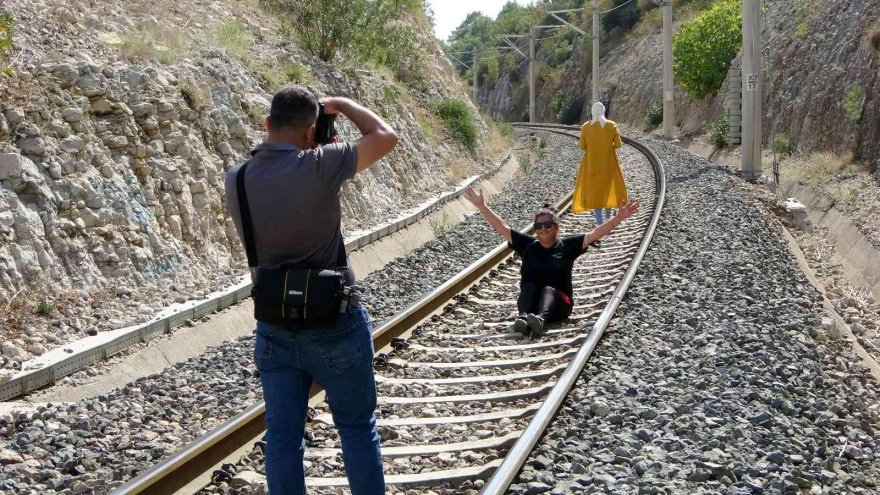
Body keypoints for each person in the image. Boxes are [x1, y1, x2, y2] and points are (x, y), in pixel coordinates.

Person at [224, 86, 397, 495]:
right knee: (357, 429)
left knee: (283, 439)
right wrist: (342, 105)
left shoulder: (237, 178)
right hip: (335, 322)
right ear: (310, 131)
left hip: (274, 325)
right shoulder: (323, 164)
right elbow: (386, 136)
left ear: (267, 123)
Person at [464, 187, 638, 337]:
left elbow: (594, 234)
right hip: (532, 307)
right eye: (538, 226)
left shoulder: (567, 246)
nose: (543, 229)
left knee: (548, 290)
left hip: (560, 305)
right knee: (528, 287)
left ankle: (540, 320)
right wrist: (482, 206)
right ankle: (523, 318)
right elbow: (502, 227)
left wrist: (618, 218)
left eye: (547, 225)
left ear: (556, 226)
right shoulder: (528, 246)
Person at [572, 102, 629, 248]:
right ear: (603, 111)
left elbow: (582, 147)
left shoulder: (586, 127)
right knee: (607, 191)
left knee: (596, 193)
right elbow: (618, 144)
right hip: (608, 164)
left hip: (591, 164)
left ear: (592, 112)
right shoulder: (611, 125)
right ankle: (608, 220)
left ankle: (599, 223)